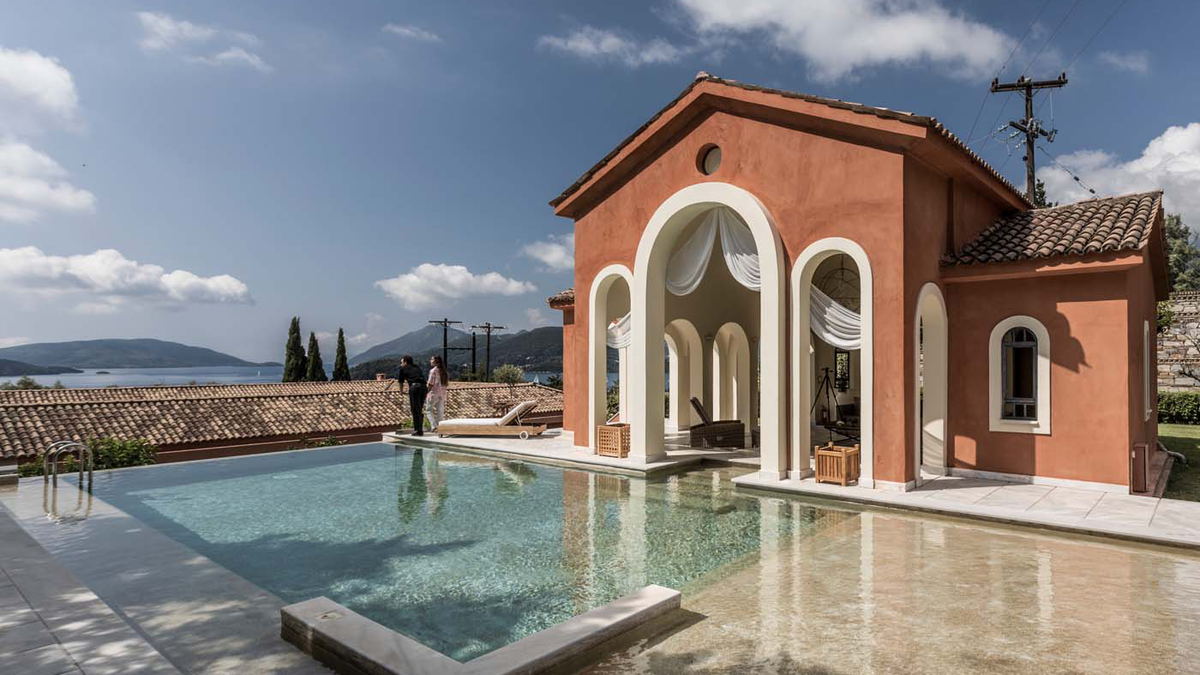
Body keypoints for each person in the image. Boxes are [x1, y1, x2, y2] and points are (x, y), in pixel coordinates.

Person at [397, 355, 427, 436]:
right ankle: (420, 429)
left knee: (415, 410)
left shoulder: (403, 369)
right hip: (424, 388)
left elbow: (400, 382)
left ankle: (418, 431)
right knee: (419, 409)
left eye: (401, 362)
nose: (401, 364)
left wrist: (401, 391)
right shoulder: (416, 367)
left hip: (415, 388)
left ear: (405, 362)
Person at [426, 355, 448, 431]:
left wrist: (426, 392)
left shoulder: (433, 371)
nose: (430, 360)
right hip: (442, 394)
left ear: (436, 362)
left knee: (428, 410)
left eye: (432, 359)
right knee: (440, 411)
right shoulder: (444, 371)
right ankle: (441, 427)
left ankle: (434, 426)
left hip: (433, 393)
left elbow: (430, 383)